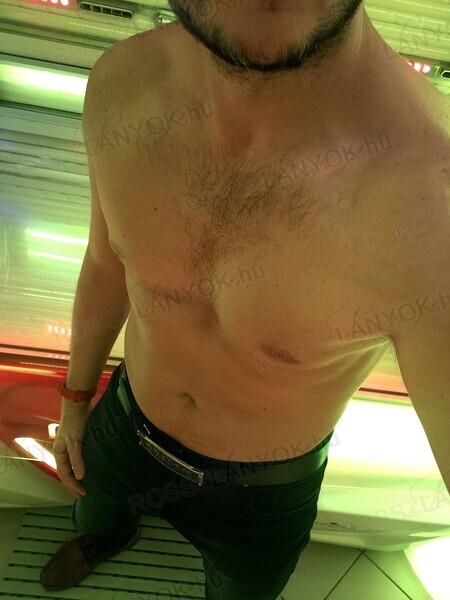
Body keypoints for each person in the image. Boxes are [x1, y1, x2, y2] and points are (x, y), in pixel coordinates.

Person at [40, 1, 450, 598]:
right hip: (125, 426)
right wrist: (76, 402)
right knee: (94, 515)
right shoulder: (120, 84)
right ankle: (105, 540)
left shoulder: (434, 200)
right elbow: (106, 264)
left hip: (261, 497)